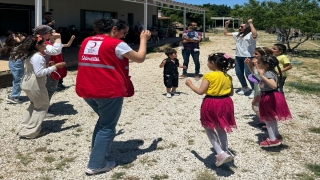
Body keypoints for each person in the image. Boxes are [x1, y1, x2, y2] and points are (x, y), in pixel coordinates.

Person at [75, 18, 151, 175]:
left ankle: (98, 152)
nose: (124, 36)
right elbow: (140, 57)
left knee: (103, 122)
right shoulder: (116, 43)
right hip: (107, 90)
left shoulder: (87, 41)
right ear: (115, 29)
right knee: (107, 126)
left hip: (87, 88)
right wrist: (143, 40)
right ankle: (96, 164)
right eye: (124, 32)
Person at [185, 53, 236, 167]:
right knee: (221, 127)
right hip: (225, 102)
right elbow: (231, 93)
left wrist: (190, 84)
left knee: (209, 127)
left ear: (212, 63)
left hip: (212, 103)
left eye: (208, 61)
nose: (207, 64)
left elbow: (200, 91)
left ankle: (220, 153)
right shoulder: (228, 76)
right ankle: (225, 150)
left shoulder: (209, 76)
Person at [14, 35, 66, 139]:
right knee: (42, 106)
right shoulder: (38, 56)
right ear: (37, 45)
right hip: (35, 84)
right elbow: (39, 73)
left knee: (34, 104)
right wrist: (55, 67)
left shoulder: (29, 55)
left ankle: (23, 127)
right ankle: (30, 132)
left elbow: (35, 68)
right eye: (43, 43)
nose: (46, 45)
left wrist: (47, 65)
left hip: (27, 83)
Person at [256, 55, 292, 147]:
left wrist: (262, 76)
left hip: (269, 96)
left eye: (259, 63)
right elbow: (255, 74)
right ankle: (276, 135)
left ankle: (272, 139)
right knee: (272, 117)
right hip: (271, 95)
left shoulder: (267, 74)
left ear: (266, 65)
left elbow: (273, 85)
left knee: (268, 119)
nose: (257, 64)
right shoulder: (270, 71)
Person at [32, 25, 64, 117]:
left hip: (43, 66)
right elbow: (55, 51)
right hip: (43, 70)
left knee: (44, 90)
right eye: (50, 33)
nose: (51, 34)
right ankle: (42, 110)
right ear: (44, 33)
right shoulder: (39, 40)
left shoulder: (35, 39)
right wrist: (58, 38)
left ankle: (41, 108)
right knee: (48, 89)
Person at [224, 19, 257, 99]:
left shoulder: (250, 35)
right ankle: (245, 87)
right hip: (238, 56)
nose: (239, 28)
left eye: (242, 26)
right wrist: (226, 25)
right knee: (238, 72)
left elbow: (255, 34)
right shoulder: (238, 34)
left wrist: (250, 23)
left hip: (248, 56)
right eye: (239, 26)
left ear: (247, 27)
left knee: (249, 73)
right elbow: (226, 33)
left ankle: (255, 90)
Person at [245, 47, 273, 130]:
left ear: (263, 55)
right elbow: (254, 73)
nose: (253, 55)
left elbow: (261, 75)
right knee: (261, 105)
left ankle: (267, 123)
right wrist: (250, 65)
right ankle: (268, 122)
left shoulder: (265, 65)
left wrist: (256, 65)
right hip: (259, 87)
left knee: (255, 105)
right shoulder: (260, 63)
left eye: (256, 54)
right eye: (254, 53)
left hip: (263, 88)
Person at [0, 32, 27, 104]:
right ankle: (14, 96)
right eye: (20, 36)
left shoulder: (17, 46)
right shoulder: (19, 46)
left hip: (15, 63)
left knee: (17, 80)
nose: (22, 36)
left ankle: (14, 94)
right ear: (15, 40)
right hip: (16, 64)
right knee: (19, 80)